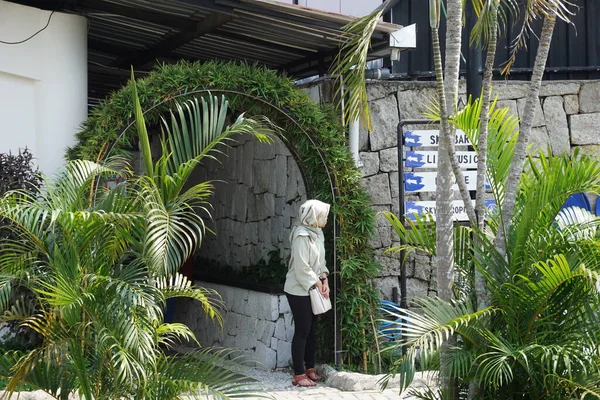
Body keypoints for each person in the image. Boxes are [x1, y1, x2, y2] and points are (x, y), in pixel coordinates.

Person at [284, 199, 330, 387]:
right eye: (323, 216)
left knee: (311, 331)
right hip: (298, 289)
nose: (325, 219)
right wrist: (318, 283)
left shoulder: (317, 233)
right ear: (313, 217)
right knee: (302, 331)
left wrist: (325, 278)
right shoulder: (301, 235)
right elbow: (301, 267)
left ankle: (310, 367)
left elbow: (320, 262)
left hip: (312, 287)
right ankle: (299, 374)